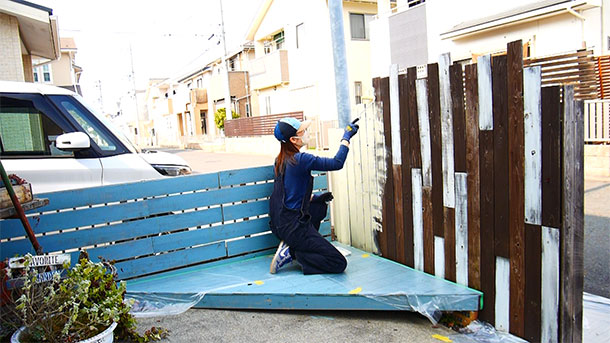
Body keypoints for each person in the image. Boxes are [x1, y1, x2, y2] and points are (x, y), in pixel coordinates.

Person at [269, 117, 359, 274]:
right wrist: (346, 137)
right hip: (294, 228)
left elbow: (290, 194)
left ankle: (296, 244)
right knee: (338, 263)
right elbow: (337, 163)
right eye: (302, 131)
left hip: (280, 224)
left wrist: (314, 199)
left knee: (319, 205)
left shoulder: (281, 159)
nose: (306, 133)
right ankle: (291, 253)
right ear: (293, 139)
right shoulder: (301, 159)